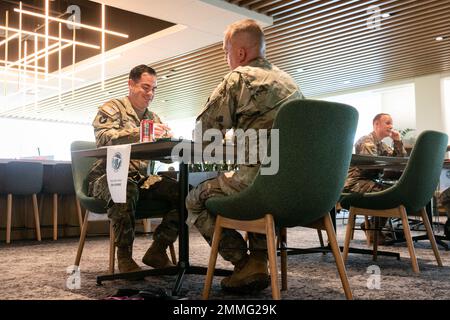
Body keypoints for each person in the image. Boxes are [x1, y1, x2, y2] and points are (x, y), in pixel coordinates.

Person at [185, 19, 304, 293]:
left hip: (260, 187)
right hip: (298, 191)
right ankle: (260, 262)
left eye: (226, 52)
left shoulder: (238, 78)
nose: (226, 59)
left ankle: (244, 263)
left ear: (239, 53)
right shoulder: (291, 84)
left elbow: (203, 136)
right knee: (258, 185)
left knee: (195, 199)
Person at [87, 64, 179, 273]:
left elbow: (163, 158)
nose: (150, 94)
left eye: (154, 89)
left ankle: (158, 250)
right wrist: (142, 132)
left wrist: (166, 140)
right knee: (125, 188)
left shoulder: (153, 118)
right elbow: (103, 139)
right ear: (131, 84)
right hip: (107, 176)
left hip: (140, 178)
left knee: (184, 193)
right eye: (146, 87)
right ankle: (125, 257)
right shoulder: (112, 108)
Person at [343, 113, 407, 243]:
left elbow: (401, 159)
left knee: (392, 190)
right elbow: (370, 166)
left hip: (369, 182)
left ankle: (373, 227)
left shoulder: (381, 145)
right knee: (390, 193)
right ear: (376, 124)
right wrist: (388, 166)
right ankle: (373, 229)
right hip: (356, 183)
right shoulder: (366, 141)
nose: (391, 126)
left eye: (391, 123)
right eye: (387, 123)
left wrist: (397, 141)